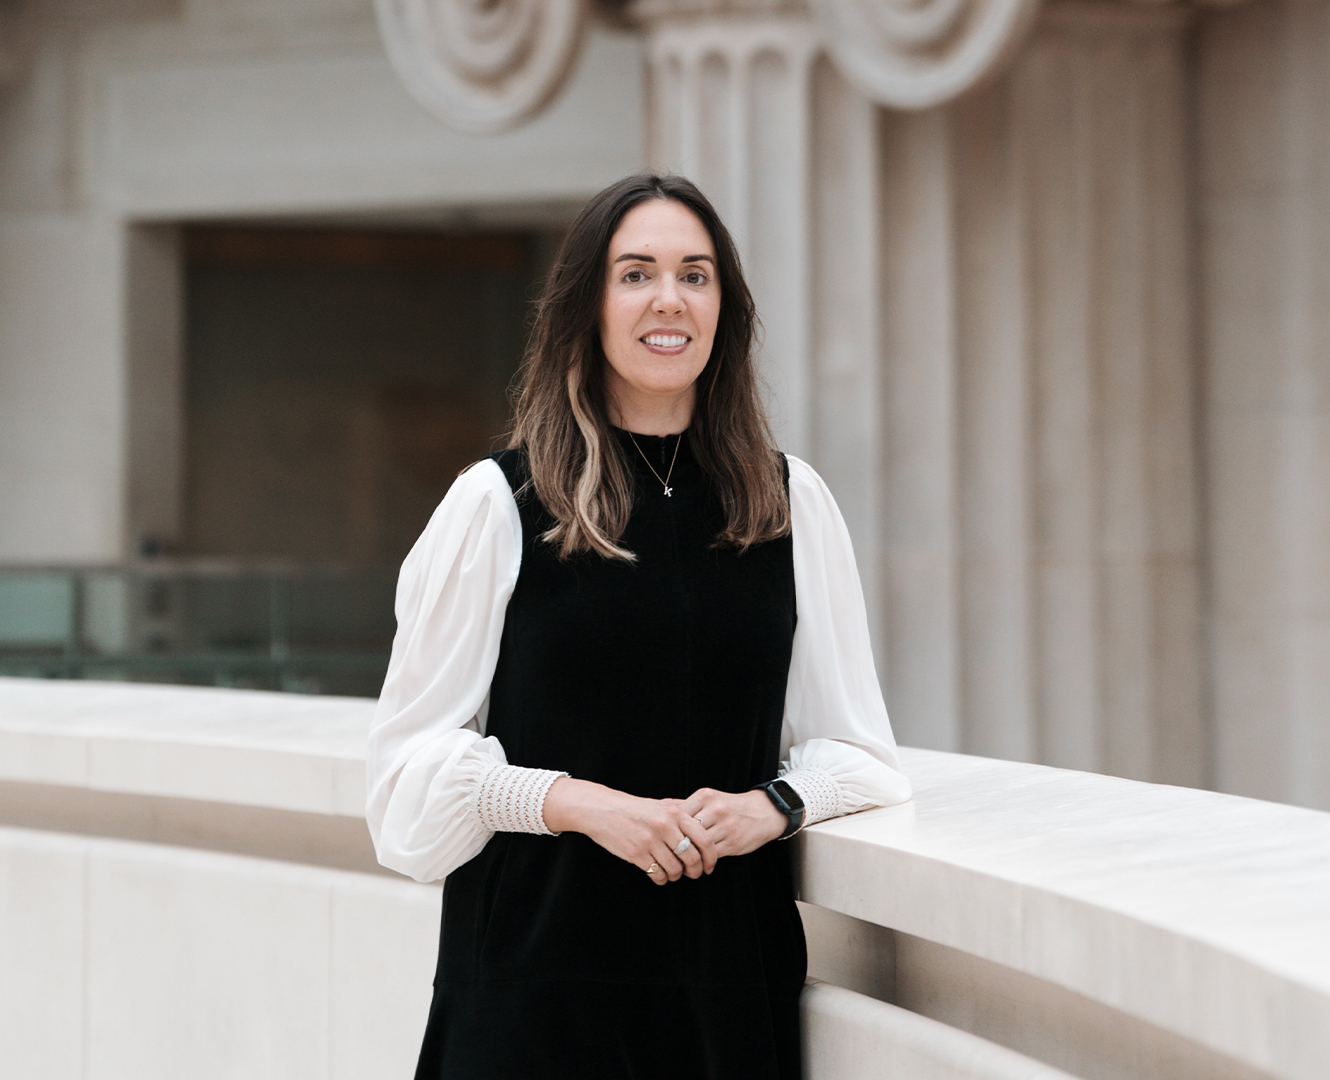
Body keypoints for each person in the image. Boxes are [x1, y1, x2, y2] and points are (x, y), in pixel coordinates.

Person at [365, 173, 911, 1080]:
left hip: (727, 988)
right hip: (534, 991)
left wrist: (768, 809)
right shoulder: (495, 503)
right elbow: (402, 792)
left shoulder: (787, 502)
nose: (670, 299)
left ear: (724, 310)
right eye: (637, 273)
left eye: (696, 275)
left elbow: (860, 754)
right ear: (588, 305)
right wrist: (578, 804)